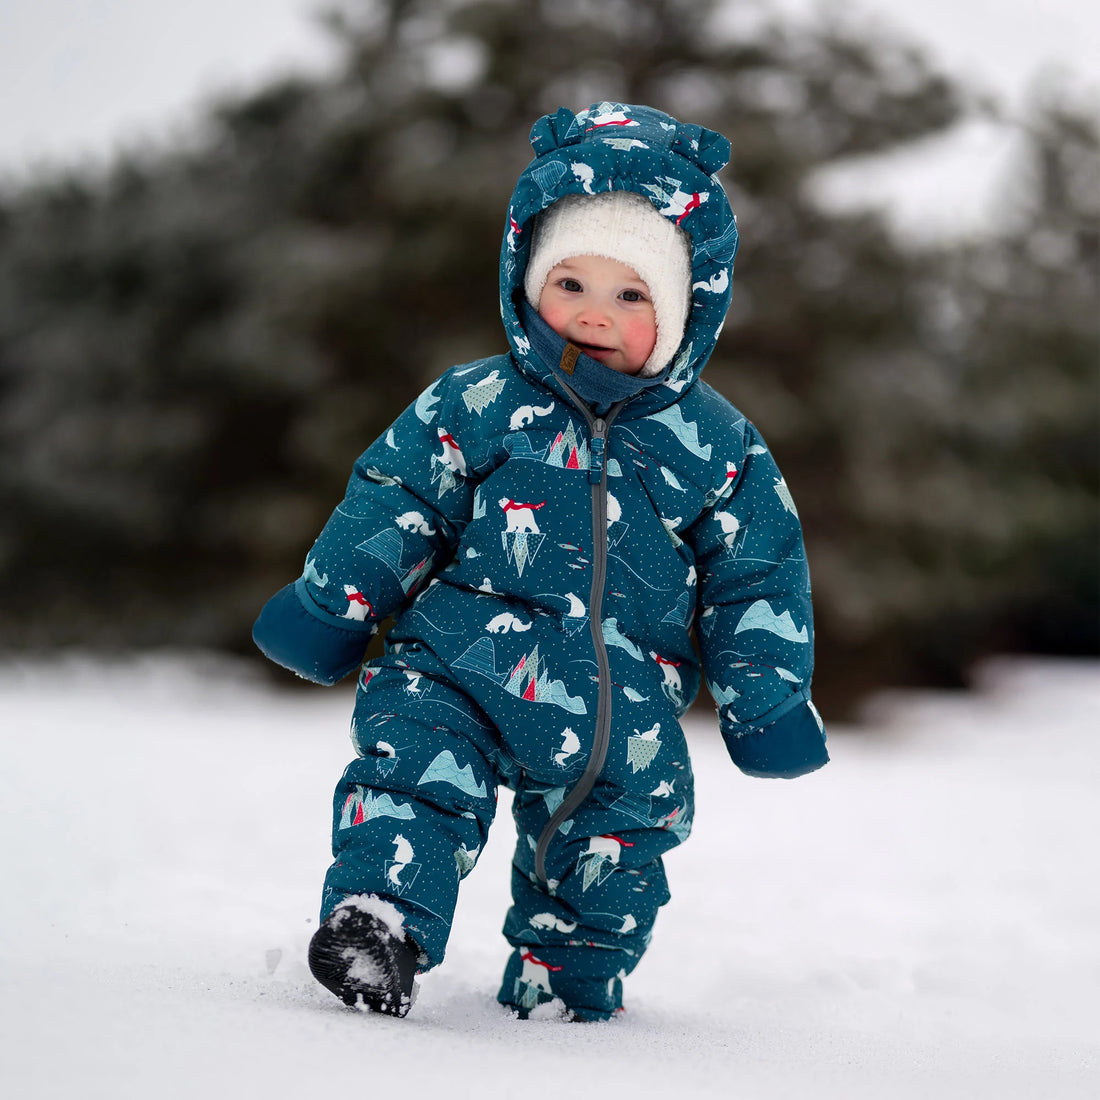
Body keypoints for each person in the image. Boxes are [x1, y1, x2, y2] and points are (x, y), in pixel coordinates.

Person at [252, 101, 828, 1022]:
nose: (595, 315)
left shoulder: (714, 446)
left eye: (632, 294)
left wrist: (769, 701)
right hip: (457, 666)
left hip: (620, 706)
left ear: (685, 309)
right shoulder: (476, 402)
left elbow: (757, 576)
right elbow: (395, 500)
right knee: (409, 780)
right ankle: (379, 925)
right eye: (571, 282)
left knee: (620, 840)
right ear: (526, 278)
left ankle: (567, 986)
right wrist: (334, 608)